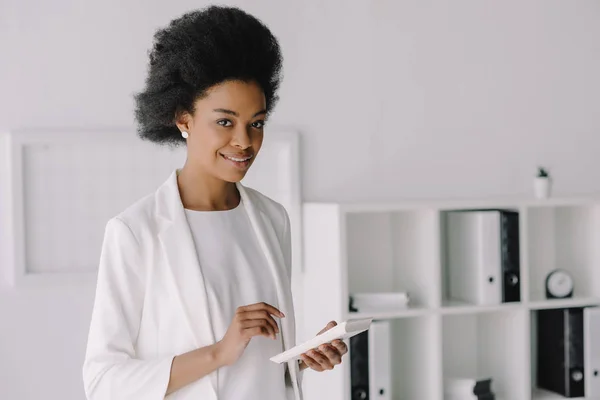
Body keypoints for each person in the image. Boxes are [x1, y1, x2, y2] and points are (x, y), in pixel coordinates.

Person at [81, 5, 347, 400]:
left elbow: (256, 370)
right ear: (183, 119)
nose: (244, 141)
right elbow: (103, 382)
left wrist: (302, 357)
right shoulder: (135, 232)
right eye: (225, 121)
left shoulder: (273, 219)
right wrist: (219, 352)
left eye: (256, 123)